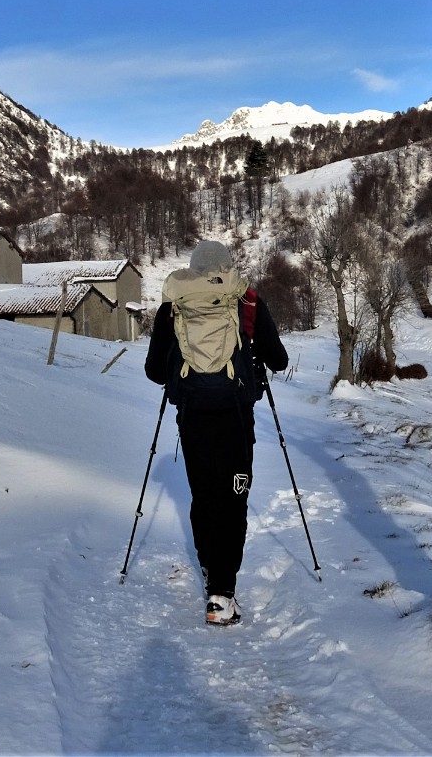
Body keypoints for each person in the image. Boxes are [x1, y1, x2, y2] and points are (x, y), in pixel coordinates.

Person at [144, 240, 289, 626]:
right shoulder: (248, 302)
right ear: (226, 268)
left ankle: (211, 571)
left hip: (192, 417)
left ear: (192, 271)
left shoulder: (172, 307)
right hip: (236, 418)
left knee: (204, 496)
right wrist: (251, 352)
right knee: (233, 500)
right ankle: (223, 593)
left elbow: (154, 371)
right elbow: (279, 359)